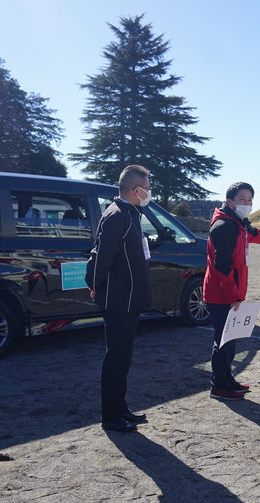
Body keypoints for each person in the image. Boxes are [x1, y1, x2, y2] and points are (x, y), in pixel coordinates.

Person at [88, 165, 153, 433]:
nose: (149, 193)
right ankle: (110, 416)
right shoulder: (117, 216)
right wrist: (94, 285)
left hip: (129, 299)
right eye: (147, 188)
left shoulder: (130, 213)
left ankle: (120, 408)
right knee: (116, 358)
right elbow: (101, 256)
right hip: (118, 301)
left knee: (123, 357)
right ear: (136, 190)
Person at [203, 182, 260, 400]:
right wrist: (233, 295)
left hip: (231, 294)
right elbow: (222, 266)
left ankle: (227, 379)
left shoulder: (238, 223)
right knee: (223, 341)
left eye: (250, 199)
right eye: (242, 199)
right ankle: (219, 386)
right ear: (230, 202)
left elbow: (254, 234)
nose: (247, 203)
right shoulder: (225, 226)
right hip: (222, 294)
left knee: (231, 338)